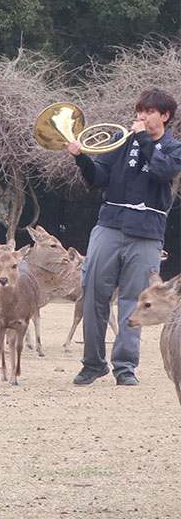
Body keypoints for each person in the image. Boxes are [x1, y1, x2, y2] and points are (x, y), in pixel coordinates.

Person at [68, 87, 181, 386]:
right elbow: (99, 178)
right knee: (93, 291)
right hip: (110, 224)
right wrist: (82, 159)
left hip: (147, 231)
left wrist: (143, 138)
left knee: (134, 298)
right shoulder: (122, 142)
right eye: (139, 111)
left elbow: (162, 172)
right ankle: (92, 363)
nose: (141, 116)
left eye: (148, 112)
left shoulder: (174, 148)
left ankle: (125, 367)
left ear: (165, 116)